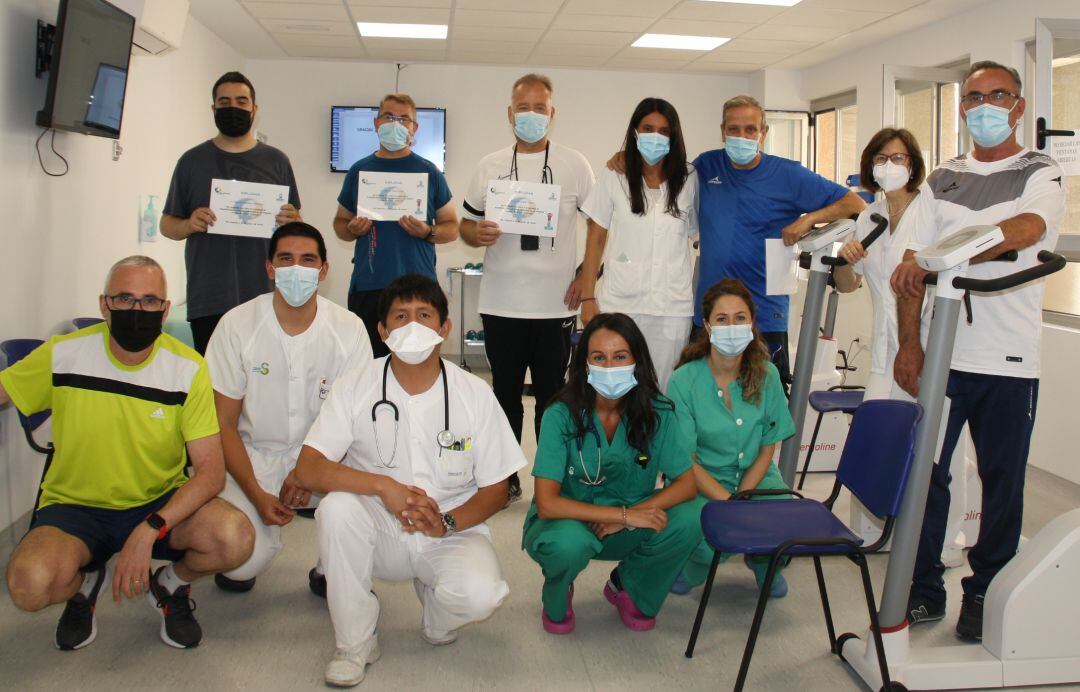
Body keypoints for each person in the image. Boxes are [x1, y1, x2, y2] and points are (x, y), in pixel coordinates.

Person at [890, 60, 1066, 641]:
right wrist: (910, 345)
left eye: (997, 96)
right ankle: (923, 588)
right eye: (973, 98)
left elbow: (1028, 229)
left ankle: (986, 589)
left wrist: (953, 254)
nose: (984, 106)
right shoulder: (943, 178)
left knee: (1002, 481)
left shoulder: (1039, 169)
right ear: (961, 107)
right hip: (943, 354)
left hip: (1008, 359)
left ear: (1017, 105)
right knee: (927, 474)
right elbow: (910, 269)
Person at [2, 256, 254, 651]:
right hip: (74, 505)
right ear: (104, 305)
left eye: (150, 301)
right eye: (125, 299)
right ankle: (83, 586)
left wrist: (151, 526)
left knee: (234, 538)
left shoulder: (187, 368)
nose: (137, 311)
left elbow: (210, 473)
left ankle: (171, 584)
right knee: (27, 585)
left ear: (166, 309)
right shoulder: (65, 354)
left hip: (156, 501)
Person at [293, 274, 525, 688]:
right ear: (382, 332)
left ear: (445, 327)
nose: (413, 325)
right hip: (378, 524)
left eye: (425, 315)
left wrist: (447, 522)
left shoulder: (474, 394)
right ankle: (355, 642)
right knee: (336, 509)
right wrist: (383, 486)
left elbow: (498, 487)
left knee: (482, 595)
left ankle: (436, 615)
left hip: (452, 527)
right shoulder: (356, 386)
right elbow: (308, 469)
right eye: (401, 316)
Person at [614, 95, 865, 386]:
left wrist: (809, 219)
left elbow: (855, 203)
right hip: (709, 317)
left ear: (764, 133)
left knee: (760, 406)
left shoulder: (788, 175)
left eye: (750, 129)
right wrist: (625, 159)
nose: (741, 136)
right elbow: (661, 175)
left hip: (763, 316)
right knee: (699, 406)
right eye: (733, 129)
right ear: (722, 131)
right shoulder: (706, 167)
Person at [204, 222, 372, 595]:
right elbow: (223, 425)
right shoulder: (236, 325)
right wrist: (255, 493)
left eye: (308, 259)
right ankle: (255, 535)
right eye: (286, 259)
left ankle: (329, 569)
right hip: (254, 459)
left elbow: (353, 422)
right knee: (240, 561)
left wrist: (305, 471)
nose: (297, 269)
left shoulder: (349, 329)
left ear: (324, 270)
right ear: (270, 268)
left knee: (367, 501)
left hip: (327, 458)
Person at [459, 73, 595, 501]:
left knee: (555, 401)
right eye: (524, 107)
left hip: (555, 306)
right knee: (504, 396)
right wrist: (473, 233)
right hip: (501, 303)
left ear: (552, 114)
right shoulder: (490, 164)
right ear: (509, 113)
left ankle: (550, 480)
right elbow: (465, 222)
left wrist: (586, 276)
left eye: (540, 108)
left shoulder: (575, 164)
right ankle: (505, 478)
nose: (531, 115)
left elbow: (601, 224)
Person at [522, 313, 699, 635]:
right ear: (584, 364)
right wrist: (623, 514)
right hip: (570, 524)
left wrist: (628, 516)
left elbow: (687, 484)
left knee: (692, 515)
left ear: (637, 361)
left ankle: (628, 584)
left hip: (628, 525)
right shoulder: (560, 415)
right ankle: (560, 588)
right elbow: (548, 504)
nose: (609, 367)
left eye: (620, 357)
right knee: (568, 546)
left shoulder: (657, 412)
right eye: (598, 358)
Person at [665, 279, 796, 598]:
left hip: (758, 475)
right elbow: (685, 460)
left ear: (752, 323)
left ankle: (766, 563)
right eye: (722, 319)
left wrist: (744, 497)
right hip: (702, 479)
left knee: (785, 526)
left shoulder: (767, 374)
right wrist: (728, 503)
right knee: (705, 535)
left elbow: (768, 448)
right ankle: (694, 566)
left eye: (740, 318)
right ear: (707, 327)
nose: (732, 326)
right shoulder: (684, 380)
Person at [161, 71, 302, 355]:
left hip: (265, 296)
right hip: (208, 298)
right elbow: (167, 225)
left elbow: (297, 225)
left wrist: (293, 221)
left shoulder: (277, 161)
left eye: (241, 101)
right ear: (213, 109)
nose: (233, 108)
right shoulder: (191, 161)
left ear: (254, 109)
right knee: (213, 387)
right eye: (224, 102)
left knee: (263, 384)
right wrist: (190, 224)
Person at [579, 97, 698, 392]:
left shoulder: (689, 178)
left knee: (664, 391)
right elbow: (595, 237)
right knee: (615, 388)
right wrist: (587, 297)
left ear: (674, 136)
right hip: (620, 302)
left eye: (664, 130)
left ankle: (659, 441)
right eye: (648, 128)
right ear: (635, 131)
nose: (655, 137)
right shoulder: (615, 175)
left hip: (672, 309)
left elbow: (698, 234)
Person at [333, 93, 458, 358]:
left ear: (415, 128)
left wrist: (428, 231)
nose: (395, 123)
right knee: (369, 363)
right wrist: (352, 229)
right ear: (376, 123)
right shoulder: (359, 170)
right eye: (389, 117)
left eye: (404, 119)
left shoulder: (430, 172)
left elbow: (452, 228)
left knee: (418, 361)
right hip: (369, 285)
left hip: (419, 287)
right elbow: (340, 225)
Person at [833, 128, 932, 401]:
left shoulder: (929, 210)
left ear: (912, 165)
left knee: (925, 434)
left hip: (925, 345)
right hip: (884, 348)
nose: (889, 165)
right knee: (877, 423)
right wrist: (844, 258)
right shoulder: (869, 218)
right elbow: (847, 285)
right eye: (881, 159)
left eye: (898, 158)